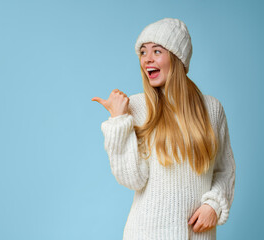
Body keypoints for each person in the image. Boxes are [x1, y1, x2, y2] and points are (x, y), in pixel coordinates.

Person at [91, 18, 236, 240]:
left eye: (157, 51)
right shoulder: (136, 107)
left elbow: (224, 170)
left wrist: (214, 205)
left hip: (198, 235)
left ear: (178, 58)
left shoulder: (212, 109)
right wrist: (119, 120)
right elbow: (132, 179)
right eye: (143, 52)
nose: (147, 59)